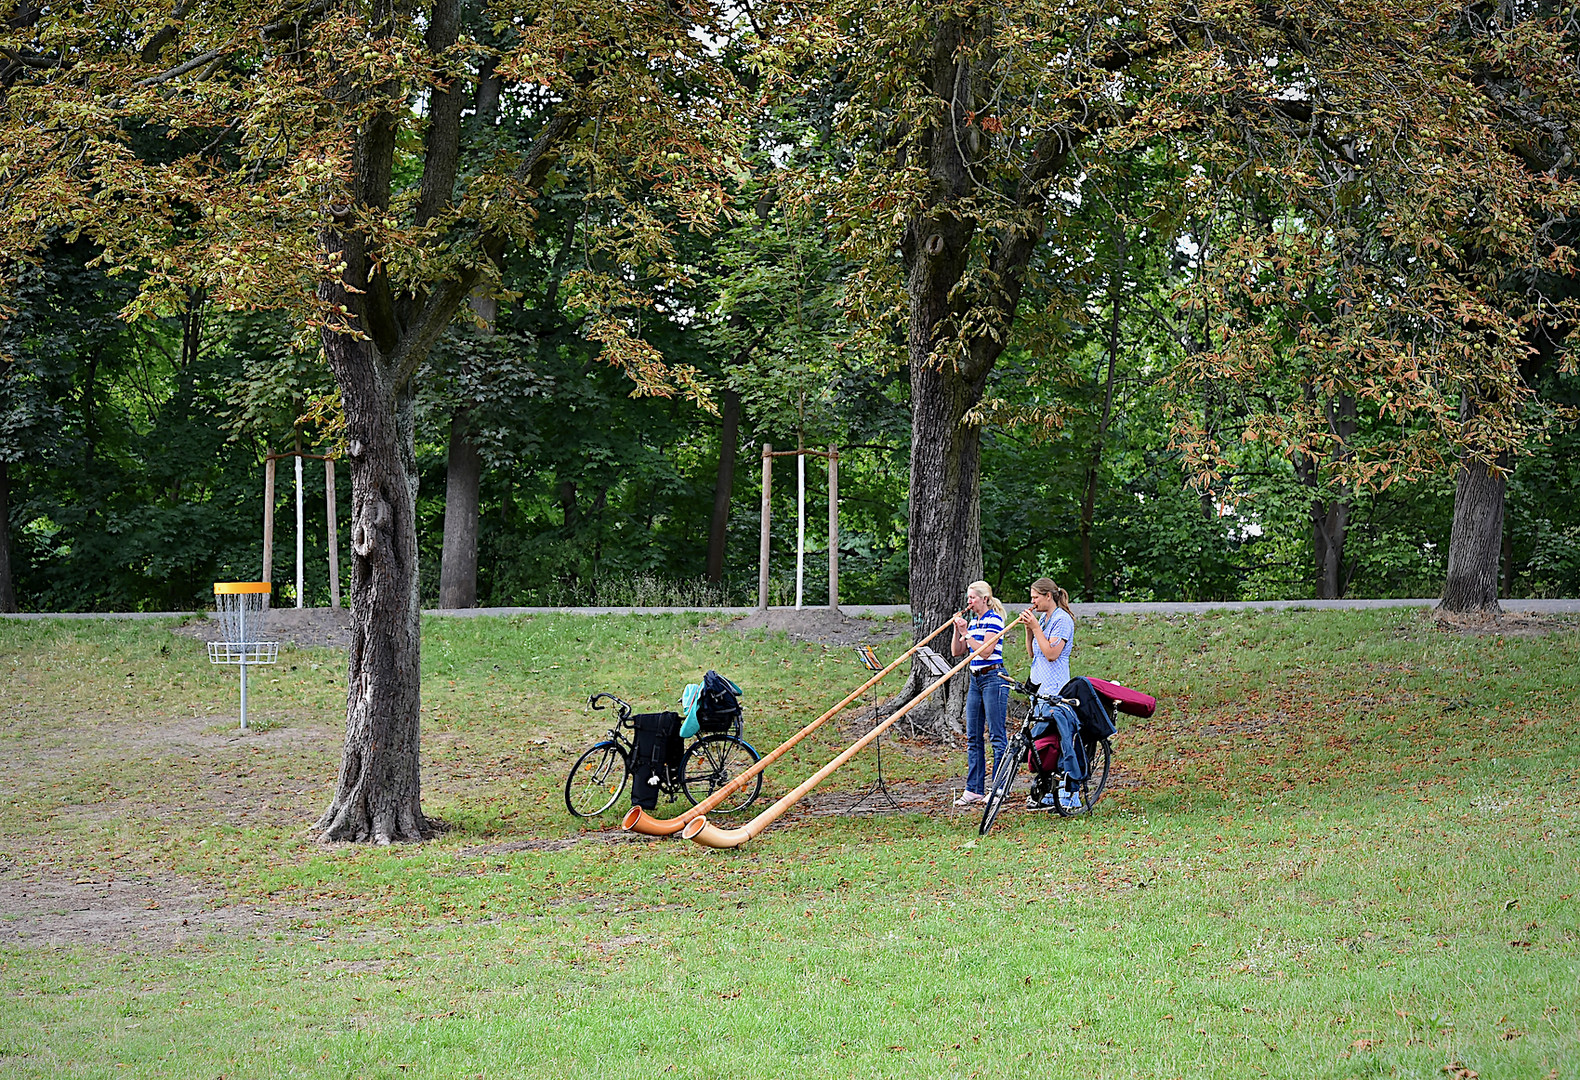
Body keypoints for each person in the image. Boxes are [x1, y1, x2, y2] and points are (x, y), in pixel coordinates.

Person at [1015, 577, 1082, 810]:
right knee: (1044, 741)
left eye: (1035, 597)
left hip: (1056, 690)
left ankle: (1069, 795)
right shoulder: (1044, 618)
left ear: (1048, 596)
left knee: (1062, 740)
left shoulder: (1062, 620)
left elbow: (1052, 653)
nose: (1032, 602)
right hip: (1040, 689)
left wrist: (1035, 628)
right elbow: (1034, 653)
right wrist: (1029, 631)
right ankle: (1047, 791)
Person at [951, 580, 1010, 807]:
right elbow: (957, 652)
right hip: (976, 679)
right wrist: (958, 631)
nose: (969, 602)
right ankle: (974, 789)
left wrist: (966, 633)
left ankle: (999, 788)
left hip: (994, 677)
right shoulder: (974, 622)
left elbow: (986, 651)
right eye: (968, 598)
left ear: (984, 599)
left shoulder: (994, 619)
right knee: (973, 736)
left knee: (996, 735)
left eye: (972, 598)